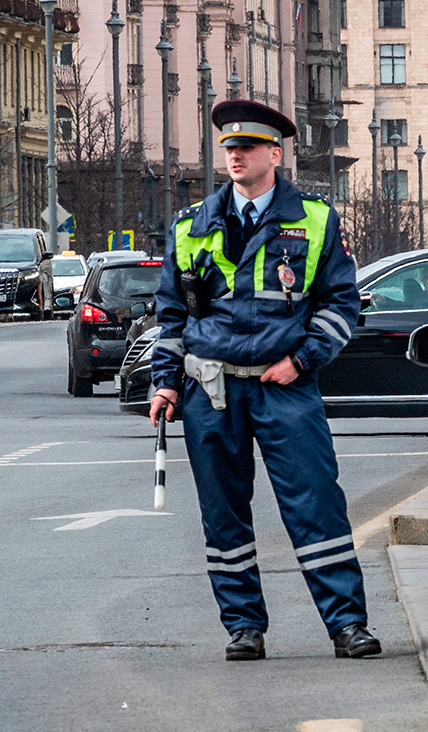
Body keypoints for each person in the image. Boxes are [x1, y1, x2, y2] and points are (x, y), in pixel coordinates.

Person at [147, 100, 380, 663]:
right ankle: (244, 627)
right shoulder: (190, 226)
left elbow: (341, 304)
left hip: (284, 386)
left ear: (275, 155)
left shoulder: (317, 219)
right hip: (213, 389)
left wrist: (301, 361)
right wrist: (166, 383)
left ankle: (347, 624)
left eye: (246, 149)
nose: (235, 157)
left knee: (316, 505)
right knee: (223, 513)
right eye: (228, 148)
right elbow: (172, 314)